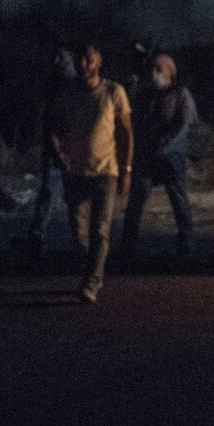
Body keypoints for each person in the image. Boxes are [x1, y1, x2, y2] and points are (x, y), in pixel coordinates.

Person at [48, 44, 132, 303]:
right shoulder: (67, 94)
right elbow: (55, 128)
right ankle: (91, 269)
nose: (84, 64)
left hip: (106, 171)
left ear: (98, 62)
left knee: (100, 229)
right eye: (80, 60)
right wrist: (57, 152)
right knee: (78, 232)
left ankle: (92, 282)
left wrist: (127, 168)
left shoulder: (113, 92)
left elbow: (126, 132)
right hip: (75, 172)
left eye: (89, 60)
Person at [121, 53, 198, 258]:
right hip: (148, 156)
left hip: (172, 157)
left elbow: (183, 124)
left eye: (159, 70)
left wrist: (167, 143)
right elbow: (135, 117)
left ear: (170, 73)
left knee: (178, 200)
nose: (154, 74)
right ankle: (127, 246)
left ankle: (186, 244)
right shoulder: (147, 95)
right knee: (136, 201)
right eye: (153, 70)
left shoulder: (181, 94)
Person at [10, 47, 77, 259]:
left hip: (67, 148)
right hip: (58, 147)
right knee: (54, 196)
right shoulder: (60, 85)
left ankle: (75, 243)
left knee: (63, 196)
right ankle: (40, 239)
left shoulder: (68, 87)